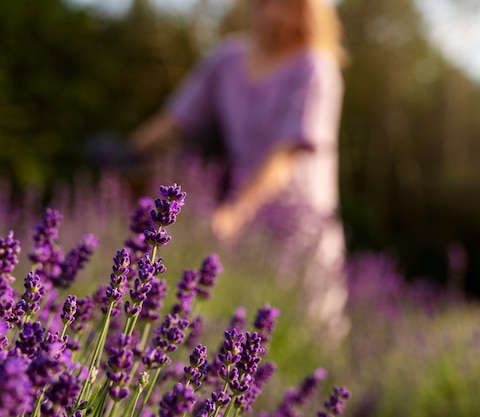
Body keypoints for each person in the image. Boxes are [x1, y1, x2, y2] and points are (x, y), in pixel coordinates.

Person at [130, 0, 349, 338]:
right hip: (242, 222)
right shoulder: (227, 59)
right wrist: (127, 149)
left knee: (306, 332)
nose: (274, 13)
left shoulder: (315, 67)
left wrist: (236, 212)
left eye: (289, 5)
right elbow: (177, 118)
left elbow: (285, 154)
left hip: (301, 225)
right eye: (265, 2)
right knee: (235, 324)